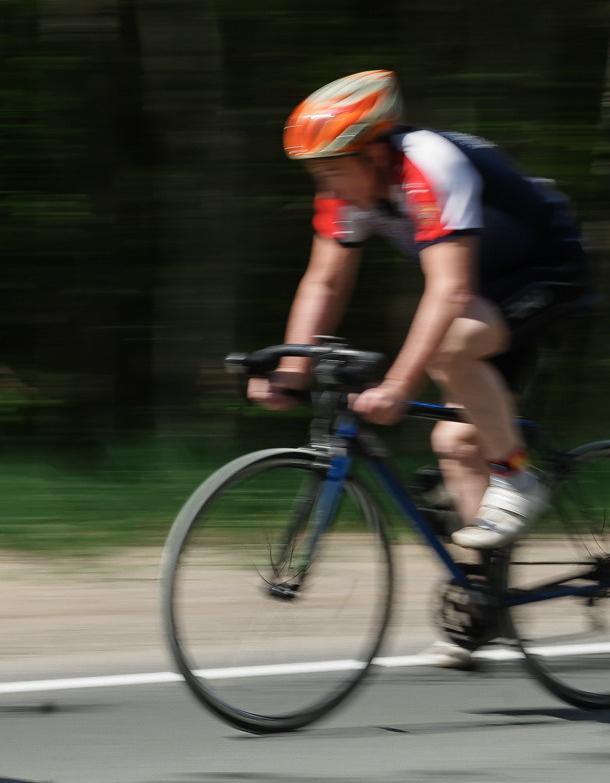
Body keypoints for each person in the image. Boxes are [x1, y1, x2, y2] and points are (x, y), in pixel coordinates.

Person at [248, 69, 589, 665]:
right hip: (485, 292)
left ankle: (517, 476)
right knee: (455, 443)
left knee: (444, 349)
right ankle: (484, 606)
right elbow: (325, 279)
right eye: (315, 172)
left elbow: (450, 292)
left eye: (331, 168)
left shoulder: (429, 163)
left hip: (547, 274)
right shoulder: (348, 191)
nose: (323, 184)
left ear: (375, 154)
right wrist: (293, 368)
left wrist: (398, 386)